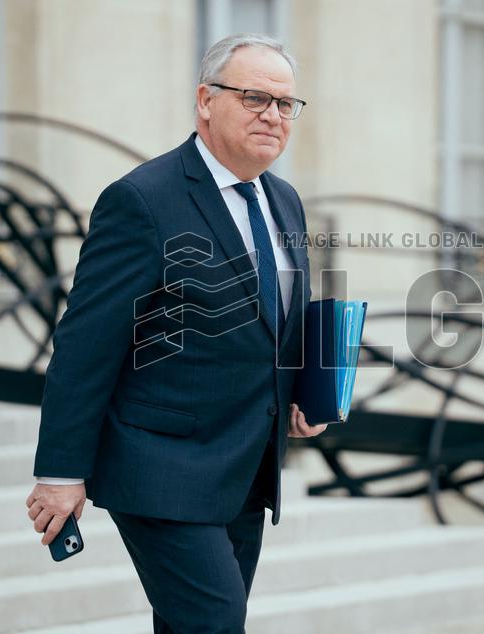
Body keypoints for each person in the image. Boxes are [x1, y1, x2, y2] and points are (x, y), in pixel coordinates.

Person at [25, 33, 327, 633]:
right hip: (160, 466)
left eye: (285, 103)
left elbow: (276, 319)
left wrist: (304, 392)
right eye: (254, 98)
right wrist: (60, 472)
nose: (272, 115)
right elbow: (86, 345)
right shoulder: (142, 200)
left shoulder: (283, 201)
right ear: (206, 100)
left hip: (246, 467)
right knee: (215, 622)